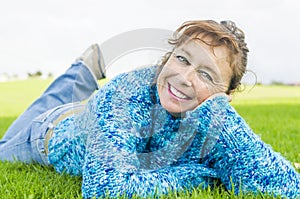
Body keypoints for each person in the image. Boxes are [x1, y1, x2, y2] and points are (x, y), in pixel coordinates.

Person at [0, 20, 299, 199]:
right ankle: (82, 69)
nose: (184, 78)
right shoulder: (125, 98)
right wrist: (197, 175)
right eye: (182, 59)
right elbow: (106, 190)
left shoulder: (215, 118)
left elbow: (284, 187)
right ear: (168, 57)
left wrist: (223, 119)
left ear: (226, 97)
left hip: (93, 117)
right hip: (50, 133)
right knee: (5, 149)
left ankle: (84, 73)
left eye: (206, 75)